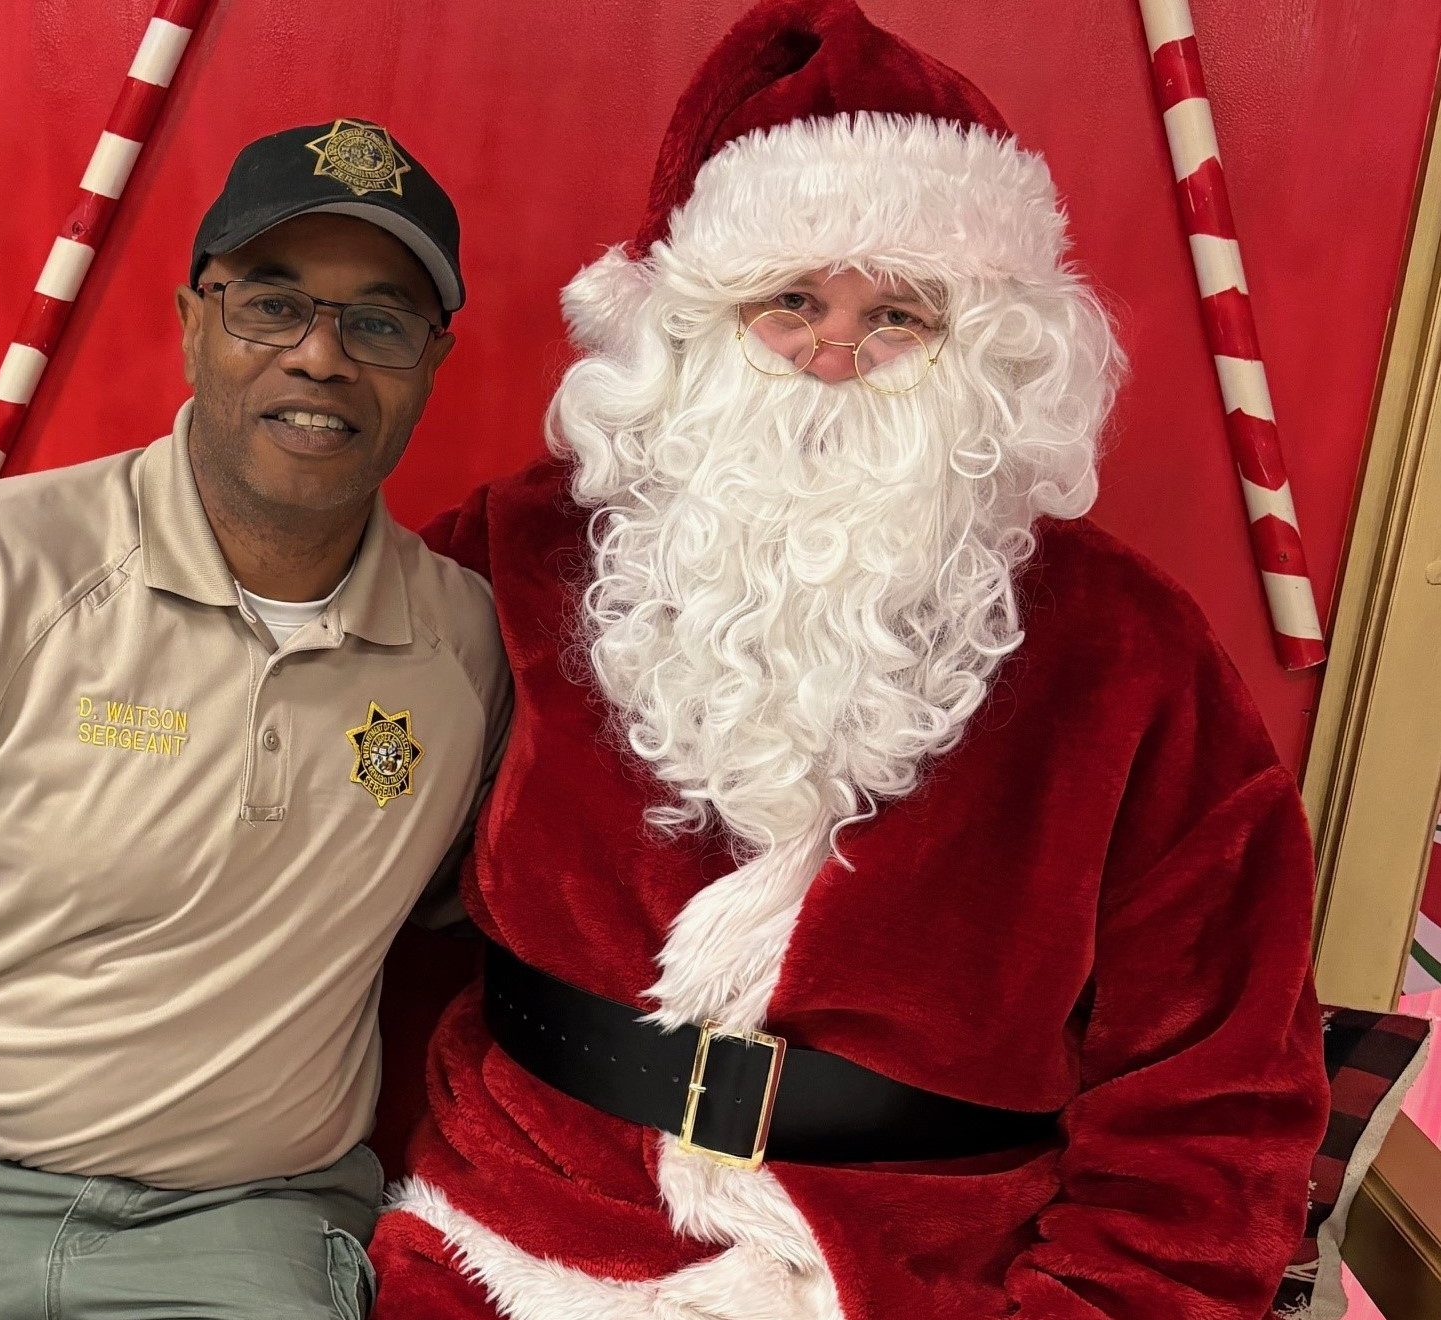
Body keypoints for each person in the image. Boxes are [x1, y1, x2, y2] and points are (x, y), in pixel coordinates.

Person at [365, 3, 1330, 1317]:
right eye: (791, 302)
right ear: (698, 324)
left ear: (984, 352)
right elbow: (332, 857)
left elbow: (1213, 1093)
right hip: (512, 1229)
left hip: (917, 1271)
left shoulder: (1128, 653)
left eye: (898, 315)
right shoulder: (518, 552)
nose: (833, 354)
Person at [0, 118, 509, 1320]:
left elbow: (508, 905)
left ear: (430, 362)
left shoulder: (468, 650)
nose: (321, 357)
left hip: (251, 1228)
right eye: (272, 306)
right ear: (193, 321)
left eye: (378, 323)